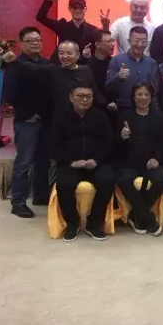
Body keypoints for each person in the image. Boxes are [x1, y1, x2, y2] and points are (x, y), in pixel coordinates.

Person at [51, 85, 115, 242]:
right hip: (71, 163)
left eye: (88, 96)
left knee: (108, 180)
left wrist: (96, 160)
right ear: (71, 97)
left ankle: (94, 223)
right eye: (80, 96)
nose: (85, 99)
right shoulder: (61, 117)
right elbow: (53, 145)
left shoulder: (100, 116)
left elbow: (109, 143)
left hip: (96, 163)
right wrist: (71, 162)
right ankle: (72, 223)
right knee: (64, 184)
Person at [2, 27, 52, 217]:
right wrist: (27, 114)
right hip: (26, 120)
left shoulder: (46, 63)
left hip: (46, 119)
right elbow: (10, 94)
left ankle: (40, 195)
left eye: (38, 40)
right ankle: (18, 202)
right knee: (24, 162)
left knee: (43, 161)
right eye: (31, 40)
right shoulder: (15, 64)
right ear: (22, 43)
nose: (35, 43)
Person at [115, 83, 163, 236]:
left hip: (150, 161)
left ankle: (136, 214)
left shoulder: (159, 117)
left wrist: (157, 158)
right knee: (123, 179)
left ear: (151, 97)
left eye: (146, 94)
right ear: (133, 97)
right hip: (129, 161)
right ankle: (147, 217)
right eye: (139, 94)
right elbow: (114, 144)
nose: (143, 97)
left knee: (162, 178)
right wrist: (122, 137)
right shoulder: (125, 116)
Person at [4, 40, 105, 113]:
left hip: (82, 118)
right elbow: (33, 68)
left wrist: (107, 105)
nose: (65, 56)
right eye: (61, 53)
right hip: (58, 120)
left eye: (69, 53)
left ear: (78, 55)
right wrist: (15, 61)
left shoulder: (86, 70)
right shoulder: (53, 70)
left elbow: (95, 92)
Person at [36, 0, 109, 64]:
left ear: (85, 9)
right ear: (69, 9)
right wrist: (49, 0)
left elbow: (104, 43)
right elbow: (41, 18)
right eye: (74, 8)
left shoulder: (92, 30)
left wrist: (105, 25)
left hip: (83, 67)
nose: (78, 10)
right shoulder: (62, 26)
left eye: (80, 8)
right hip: (61, 66)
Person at [106, 26, 157, 113]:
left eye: (143, 41)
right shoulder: (116, 60)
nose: (140, 44)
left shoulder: (151, 63)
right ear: (129, 41)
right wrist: (118, 77)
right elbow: (107, 87)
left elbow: (155, 90)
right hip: (123, 110)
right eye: (136, 41)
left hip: (146, 111)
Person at [86, 29, 114, 103]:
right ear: (97, 45)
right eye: (109, 41)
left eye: (112, 41)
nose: (113, 44)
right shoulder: (88, 65)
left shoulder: (115, 62)